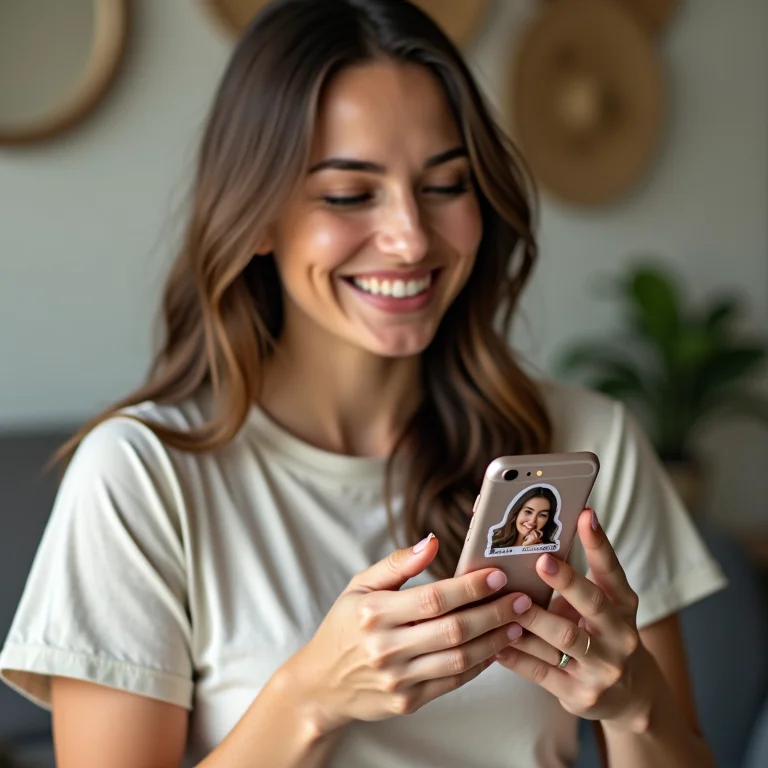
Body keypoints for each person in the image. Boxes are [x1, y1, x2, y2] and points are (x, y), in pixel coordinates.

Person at [0, 1, 726, 766]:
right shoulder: (140, 477)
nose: (410, 239)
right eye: (349, 194)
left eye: (446, 185)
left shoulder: (588, 444)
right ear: (255, 215)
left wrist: (635, 704)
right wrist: (309, 698)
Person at [490, 486, 559, 550]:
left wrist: (531, 549)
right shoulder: (491, 542)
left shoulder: (550, 549)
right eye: (528, 512)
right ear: (516, 511)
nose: (532, 520)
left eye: (542, 515)